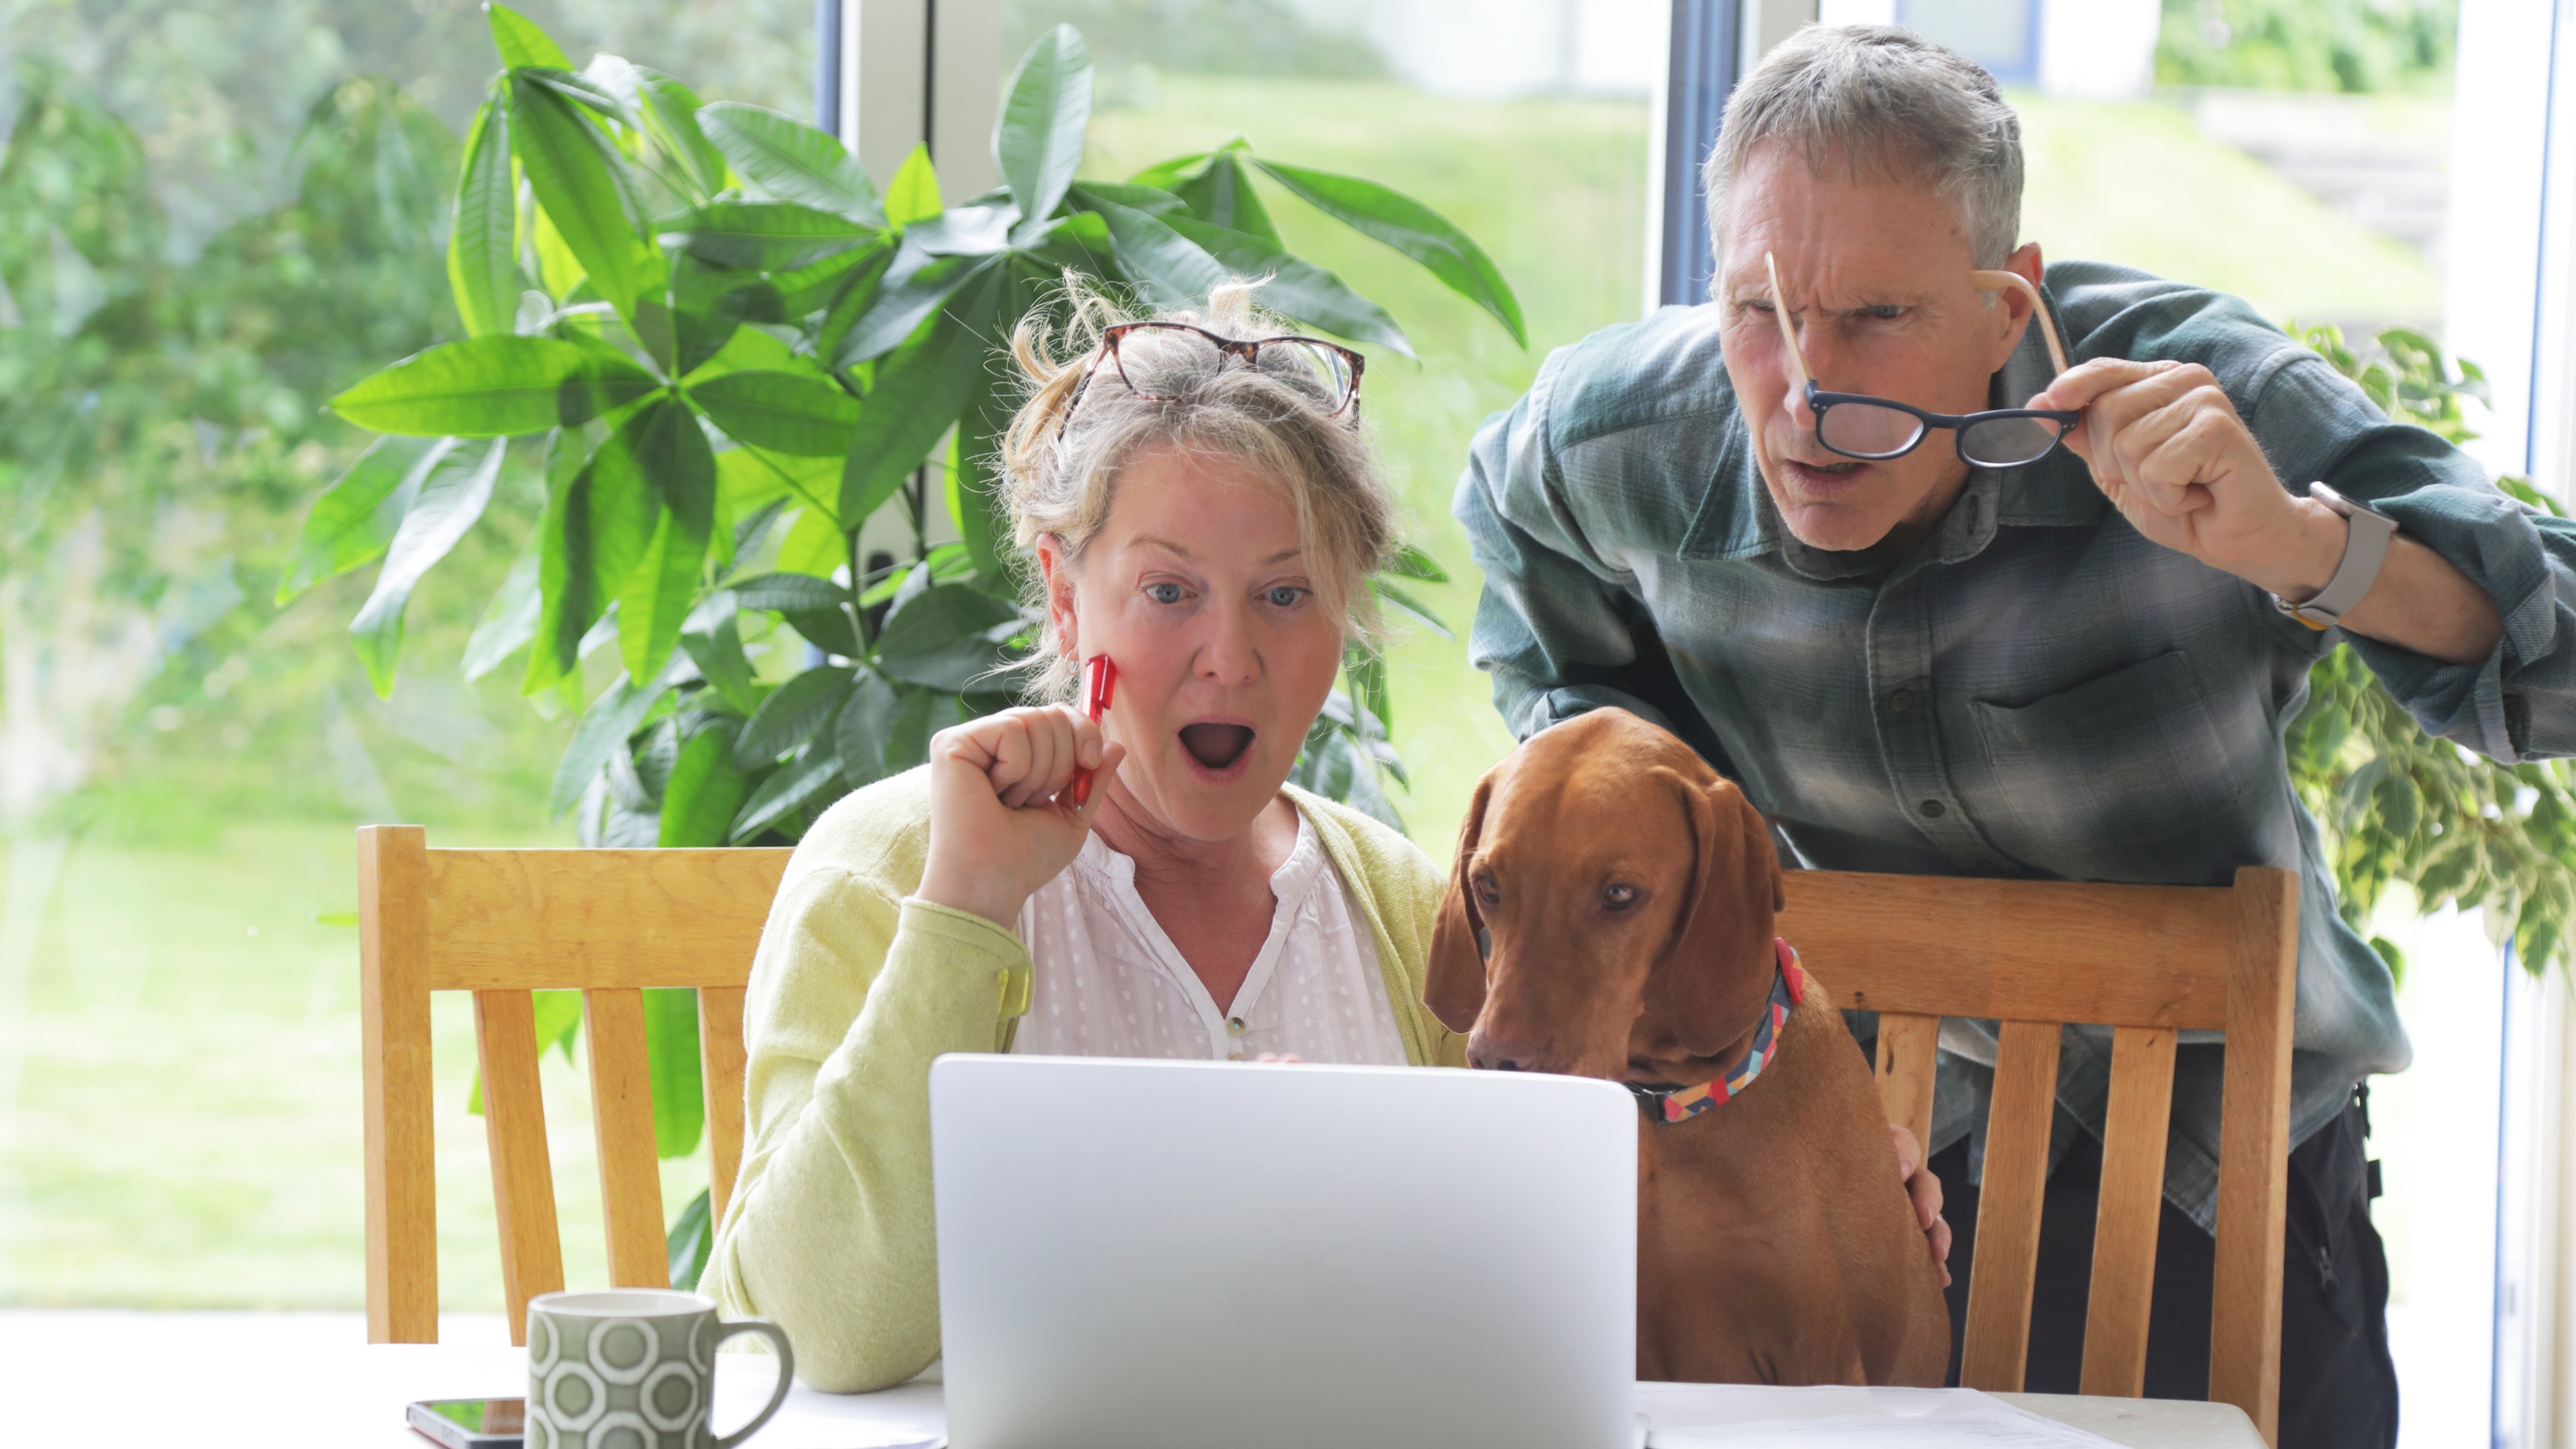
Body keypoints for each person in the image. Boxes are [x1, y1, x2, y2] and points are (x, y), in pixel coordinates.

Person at [1456, 24, 2573, 1448]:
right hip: (1889, 1169)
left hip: (2236, 1177)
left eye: (1877, 319)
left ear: (2007, 304)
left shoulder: (2198, 394)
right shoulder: (1616, 441)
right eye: (1761, 307)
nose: (1804, 399)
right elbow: (1513, 552)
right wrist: (1674, 832)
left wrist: (2301, 544)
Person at [701, 286, 1465, 1392]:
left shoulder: (1401, 907)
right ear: (1067, 603)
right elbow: (816, 1334)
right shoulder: (889, 869)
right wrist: (963, 914)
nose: (1231, 656)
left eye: (1286, 593)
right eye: (1167, 590)